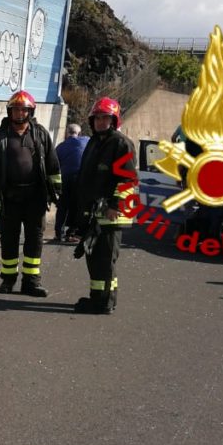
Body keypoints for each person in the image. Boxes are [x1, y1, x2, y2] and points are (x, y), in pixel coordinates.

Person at [0, 90, 62, 297]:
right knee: (9, 239)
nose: (19, 113)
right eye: (16, 109)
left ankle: (31, 282)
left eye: (23, 110)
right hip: (9, 199)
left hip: (35, 198)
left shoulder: (40, 134)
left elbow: (52, 163)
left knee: (35, 240)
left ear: (30, 112)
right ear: (10, 111)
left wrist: (57, 190)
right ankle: (8, 280)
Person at [73, 97, 136, 314]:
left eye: (105, 118)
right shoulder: (94, 142)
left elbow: (127, 180)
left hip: (111, 214)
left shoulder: (121, 143)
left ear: (114, 120)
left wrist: (114, 206)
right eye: (97, 118)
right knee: (95, 259)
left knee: (105, 260)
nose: (100, 122)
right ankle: (97, 298)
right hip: (95, 212)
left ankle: (106, 302)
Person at [53, 123, 88, 243]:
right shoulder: (86, 141)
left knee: (62, 207)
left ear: (67, 133)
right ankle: (71, 233)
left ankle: (59, 233)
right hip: (80, 180)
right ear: (79, 133)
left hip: (64, 180)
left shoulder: (60, 147)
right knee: (76, 207)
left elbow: (55, 164)